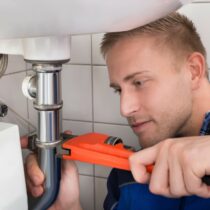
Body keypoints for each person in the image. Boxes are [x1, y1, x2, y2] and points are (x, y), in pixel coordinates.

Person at [22, 12, 210, 209]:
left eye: (139, 82)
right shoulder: (127, 177)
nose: (125, 109)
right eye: (118, 90)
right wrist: (68, 206)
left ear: (193, 70)